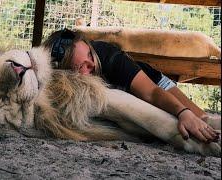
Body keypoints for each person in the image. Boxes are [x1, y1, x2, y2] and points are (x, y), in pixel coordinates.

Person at [42, 28, 219, 143]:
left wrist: (183, 112)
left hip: (154, 85)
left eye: (89, 53)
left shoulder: (107, 56)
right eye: (83, 67)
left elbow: (151, 92)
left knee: (202, 121)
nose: (93, 63)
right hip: (123, 104)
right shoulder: (60, 79)